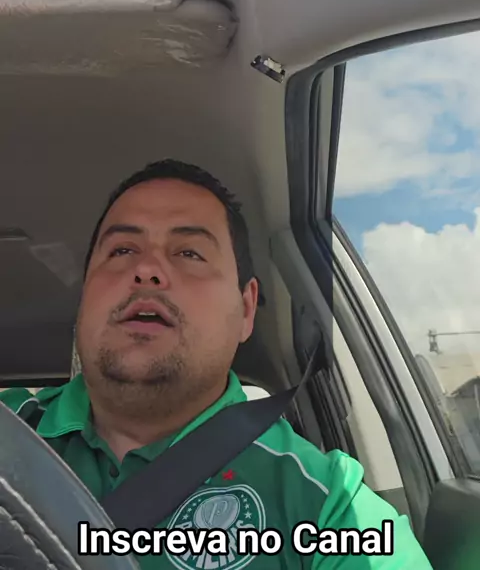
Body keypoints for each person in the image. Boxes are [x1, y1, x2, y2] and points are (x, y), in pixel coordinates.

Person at [0, 160, 433, 569]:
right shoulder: (10, 432)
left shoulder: (330, 507)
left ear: (246, 310)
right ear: (84, 297)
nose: (147, 269)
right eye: (122, 249)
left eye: (189, 253)